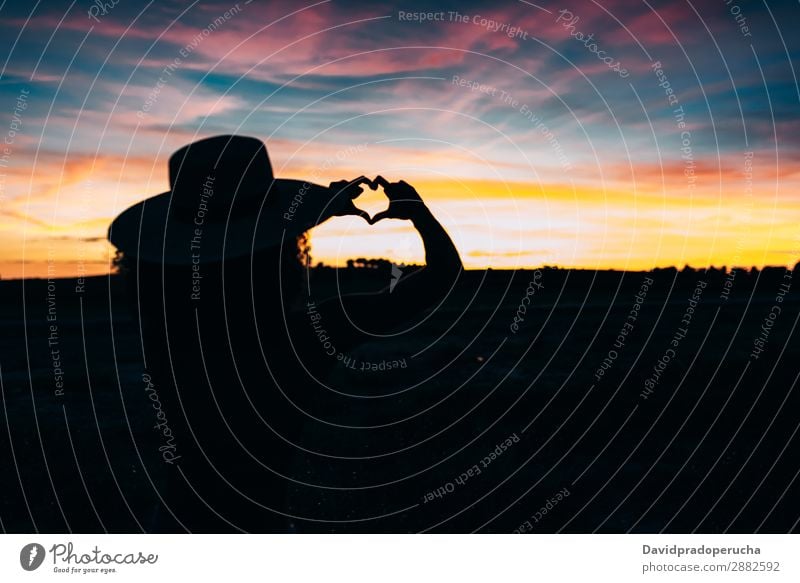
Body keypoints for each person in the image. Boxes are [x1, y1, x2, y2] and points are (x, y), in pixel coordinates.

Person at [108, 135, 462, 532]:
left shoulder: (166, 328)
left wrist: (308, 211)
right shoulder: (299, 337)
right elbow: (440, 277)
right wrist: (417, 213)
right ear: (282, 257)